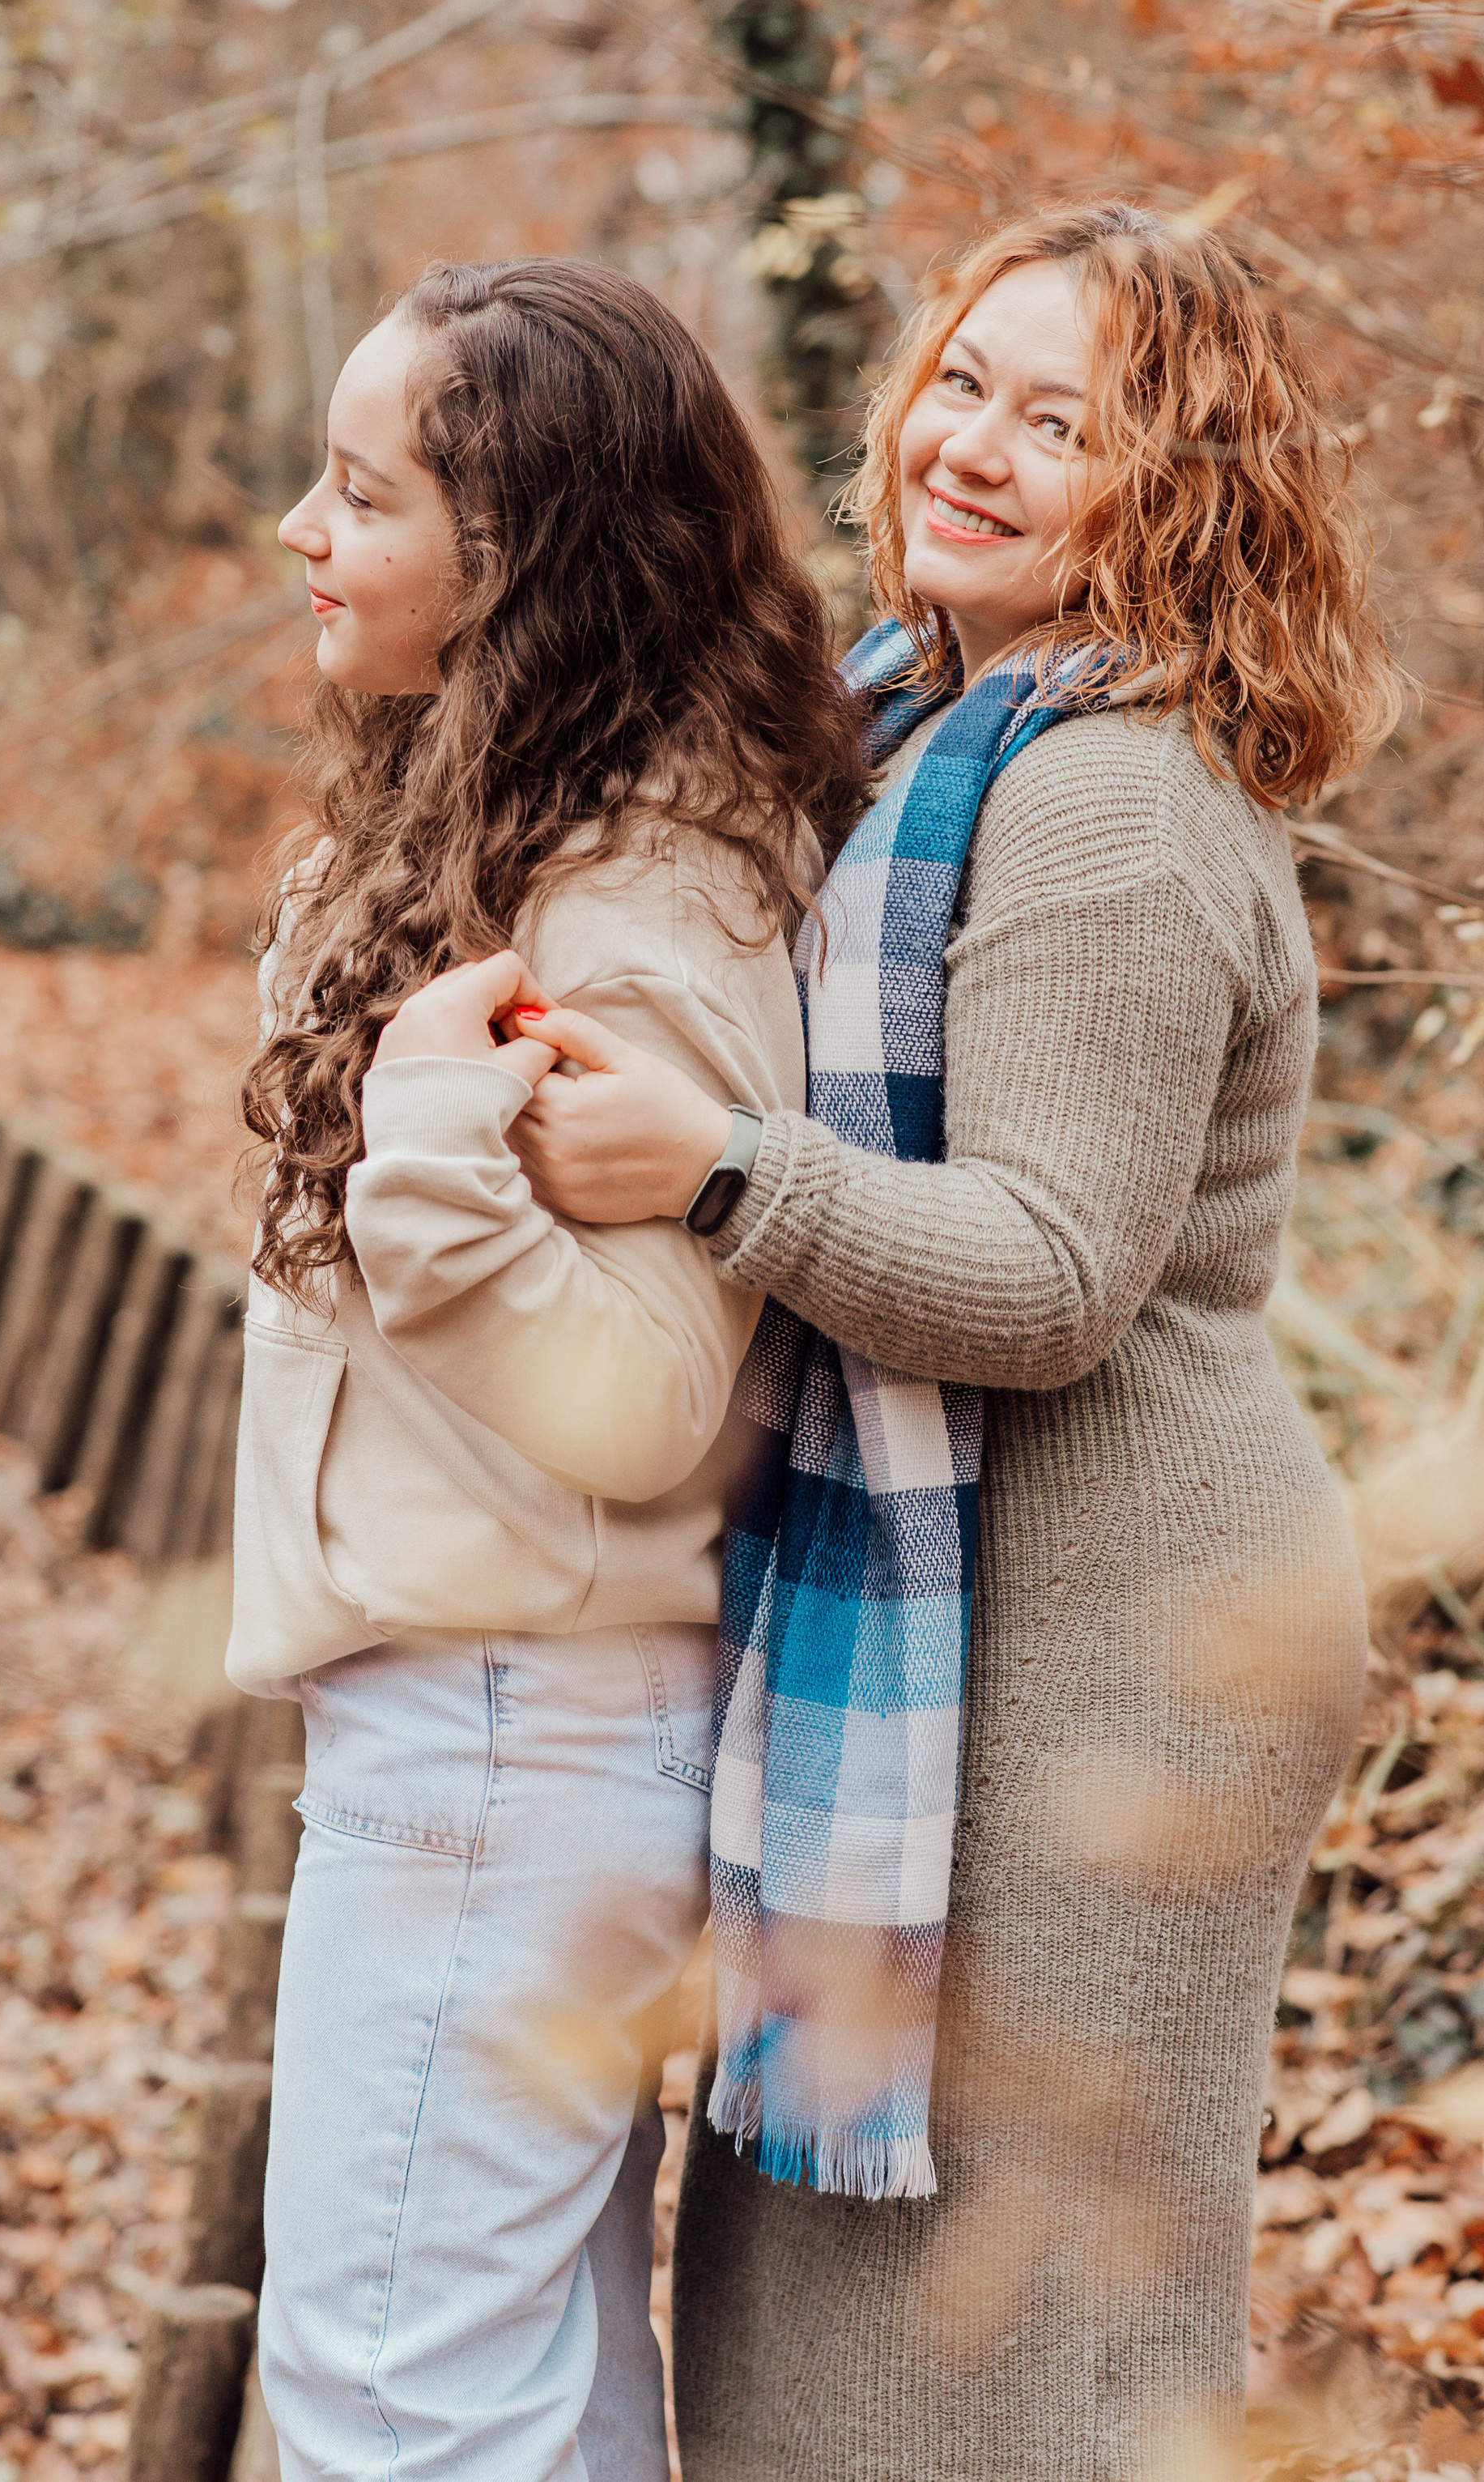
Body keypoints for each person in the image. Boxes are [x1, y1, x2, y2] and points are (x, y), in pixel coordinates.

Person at [463, 201, 1399, 2479]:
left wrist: (715, 1166)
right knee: (834, 2325)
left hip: (1123, 1639)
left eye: (1060, 423)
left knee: (1003, 2354)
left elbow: (1053, 1274)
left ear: (1175, 489)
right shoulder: (913, 735)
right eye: (963, 381)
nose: (971, 445)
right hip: (978, 1610)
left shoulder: (1104, 802)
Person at [225, 258, 870, 2482]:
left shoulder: (630, 894)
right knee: (531, 2411)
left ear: (520, 561)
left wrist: (424, 1160)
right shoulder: (516, 823)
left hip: (507, 1731)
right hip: (494, 1727)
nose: (303, 534)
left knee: (397, 2414)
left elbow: (645, 1396)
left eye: (357, 490)